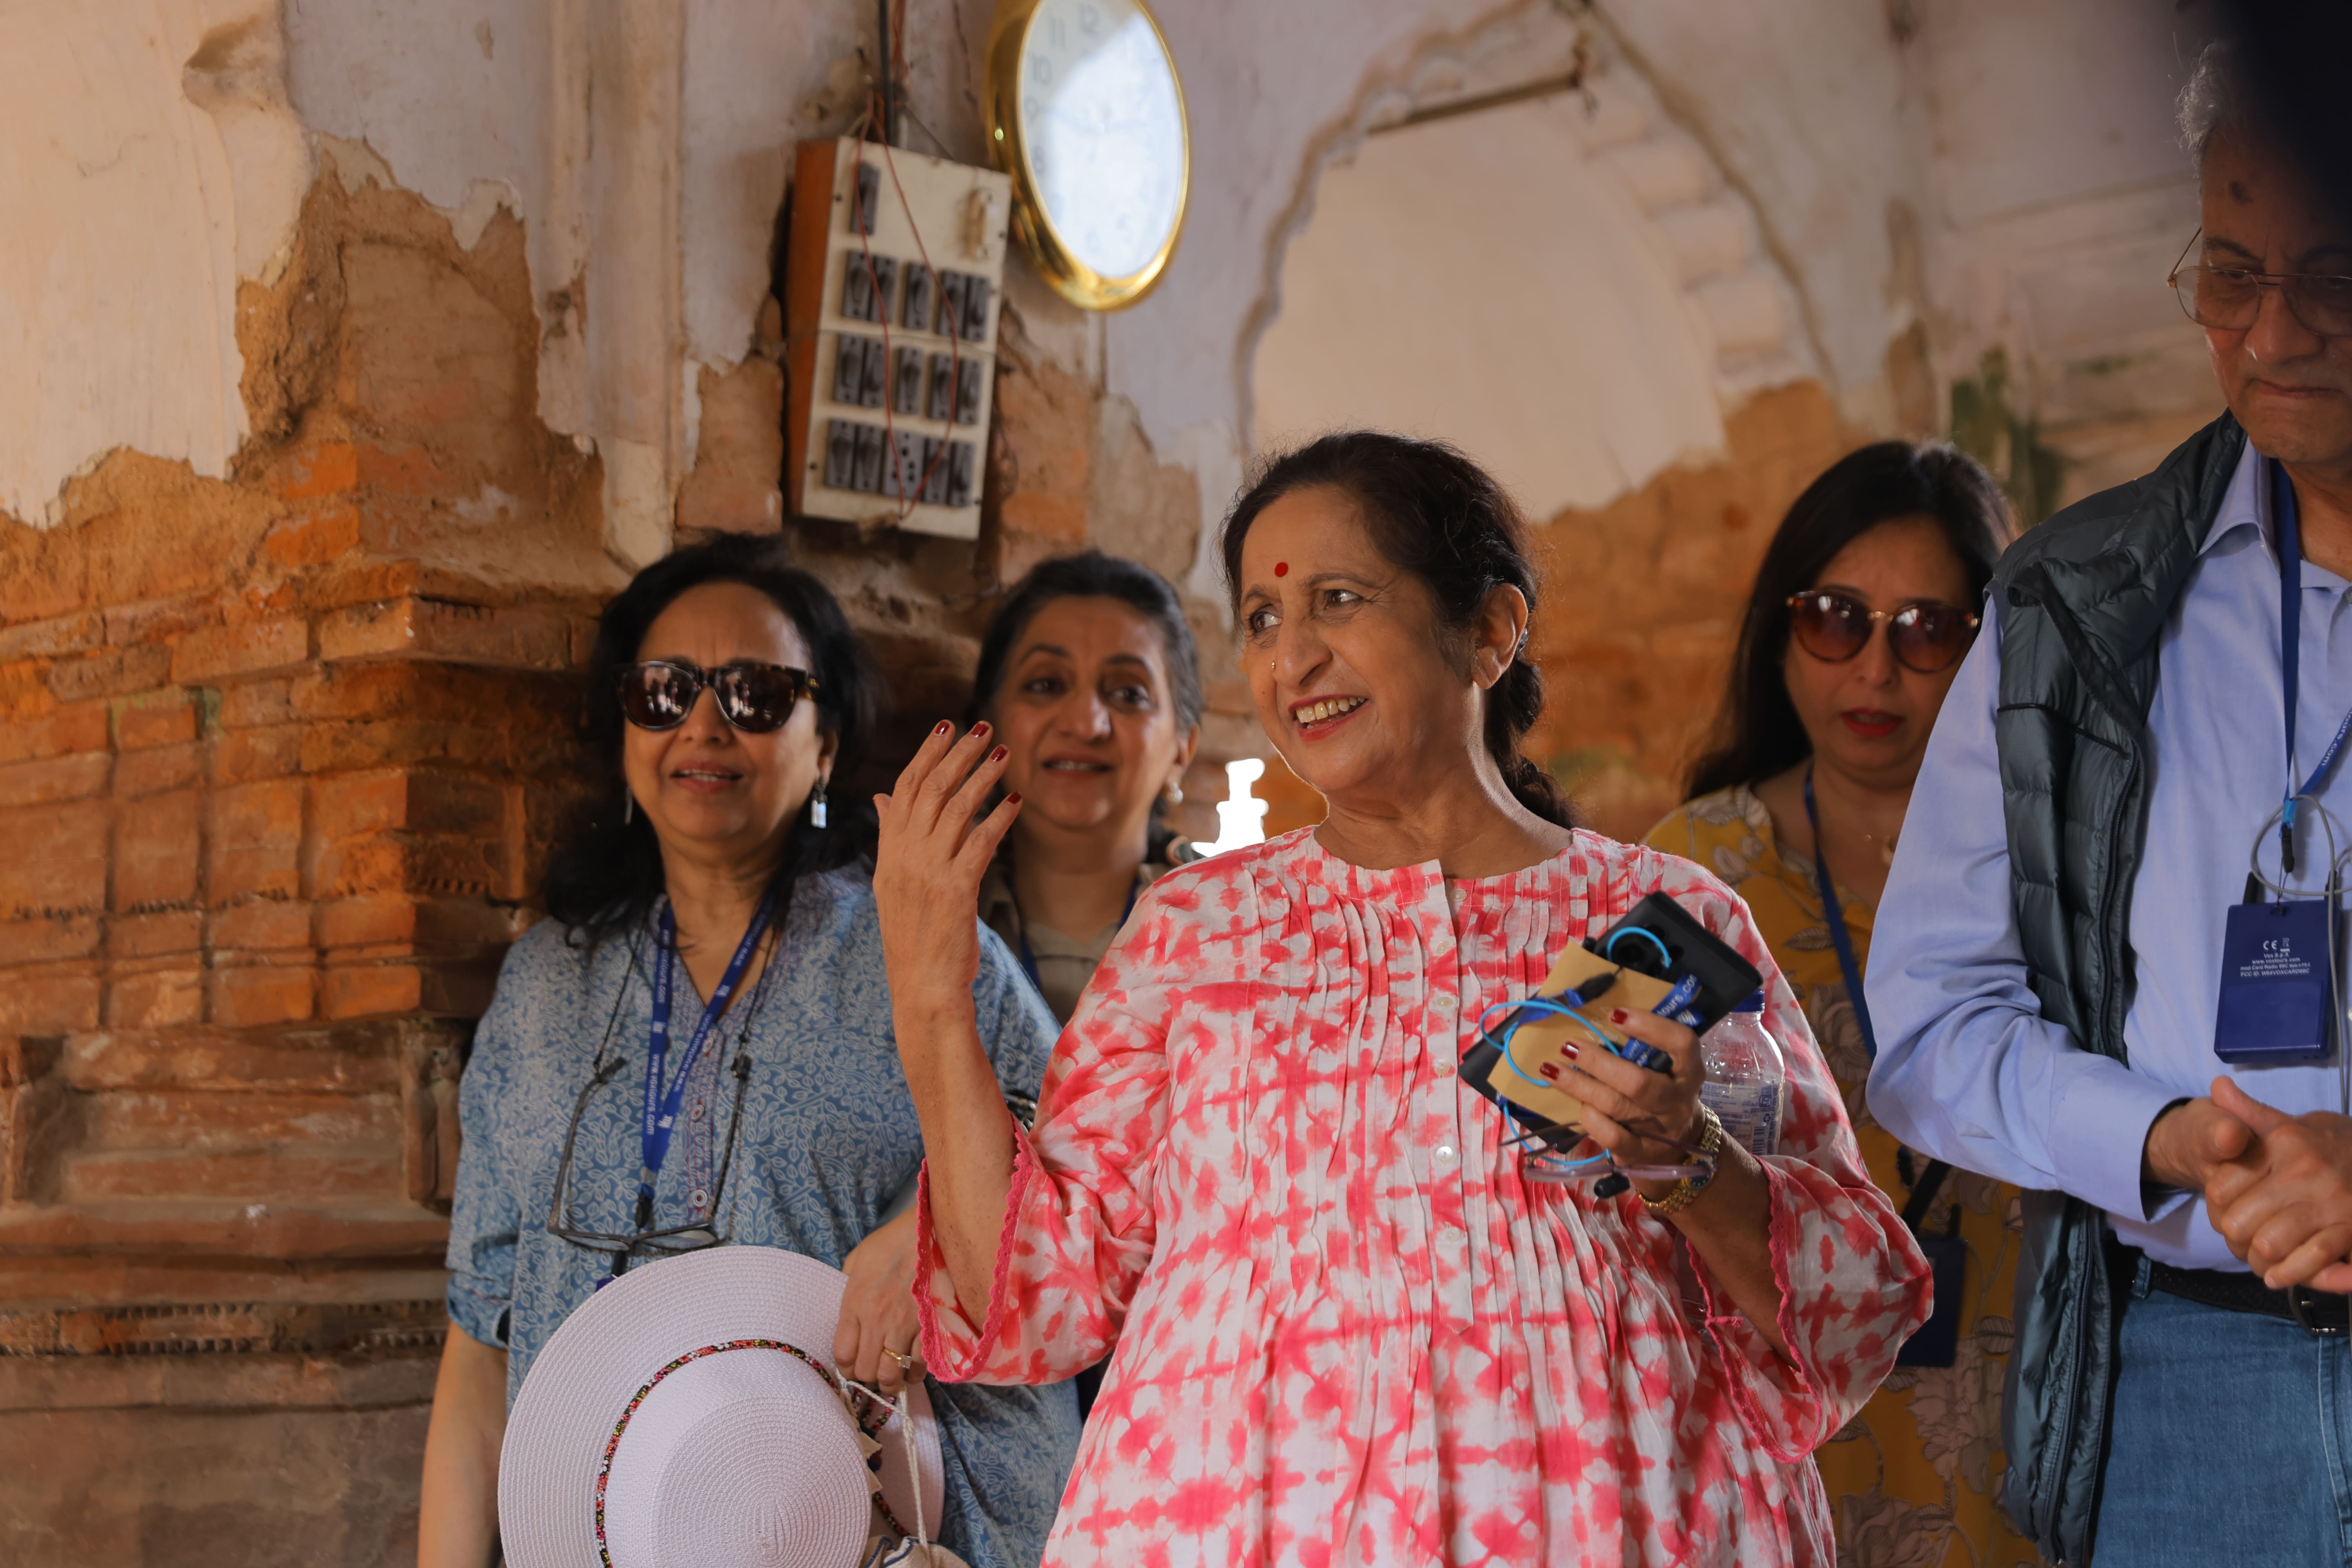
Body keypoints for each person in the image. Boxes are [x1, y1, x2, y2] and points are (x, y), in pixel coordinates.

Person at [873, 431, 1932, 1565]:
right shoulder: (1194, 934)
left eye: (1339, 599)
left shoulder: (1668, 918)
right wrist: (932, 995)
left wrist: (1692, 1161)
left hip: (1620, 1522)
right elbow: (1033, 1302)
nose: (1293, 657)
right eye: (1264, 619)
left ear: (1490, 631)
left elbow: (1858, 1310)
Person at [1866, 41, 2352, 1568]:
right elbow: (1933, 1019)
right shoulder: (2074, 605)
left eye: (2333, 276)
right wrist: (2161, 1136)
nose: (2272, 332)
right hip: (2186, 1375)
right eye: (2230, 273)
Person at [415, 535, 1078, 1568]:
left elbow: (1081, 1158)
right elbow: (480, 1340)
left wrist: (933, 1230)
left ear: (825, 744)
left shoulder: (917, 944)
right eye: (664, 691)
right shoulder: (546, 986)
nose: (705, 724)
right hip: (614, 1531)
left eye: (757, 694)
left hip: (868, 1529)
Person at [1644, 442, 2022, 1566]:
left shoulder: (2058, 859)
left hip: (2025, 1376)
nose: (1874, 669)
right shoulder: (1696, 871)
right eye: (1836, 619)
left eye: (1927, 631)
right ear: (1781, 633)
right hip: (1788, 1393)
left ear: (1989, 648)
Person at [967, 552, 1202, 1025]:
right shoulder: (921, 916)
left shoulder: (1244, 928)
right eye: (1046, 684)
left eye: (1129, 694)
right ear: (989, 724)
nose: (1085, 724)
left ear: (1182, 750)